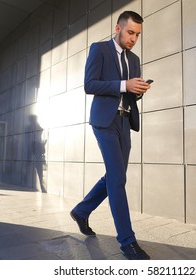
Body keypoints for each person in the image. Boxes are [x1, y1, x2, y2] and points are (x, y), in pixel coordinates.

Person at [70, 11, 152, 260]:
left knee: (114, 176)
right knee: (118, 179)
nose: (134, 38)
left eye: (137, 35)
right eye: (130, 32)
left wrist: (137, 90)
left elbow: (130, 93)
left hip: (124, 121)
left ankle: (81, 211)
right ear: (118, 28)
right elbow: (89, 85)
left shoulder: (134, 58)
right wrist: (123, 84)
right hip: (104, 121)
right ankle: (127, 242)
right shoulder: (99, 49)